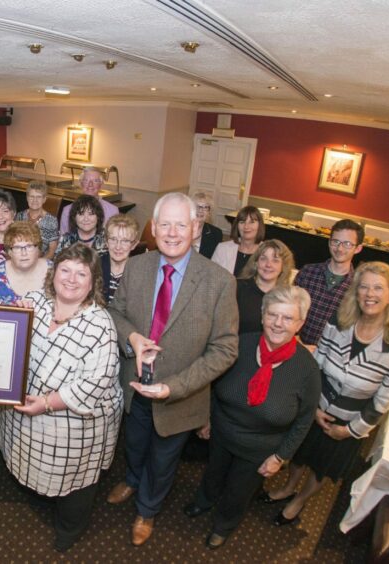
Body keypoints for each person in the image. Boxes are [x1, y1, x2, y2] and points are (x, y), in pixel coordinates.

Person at [106, 192, 238, 547]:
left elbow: (225, 349)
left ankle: (147, 509)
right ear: (153, 227)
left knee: (164, 460)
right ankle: (133, 479)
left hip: (179, 396)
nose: (173, 232)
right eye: (165, 223)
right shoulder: (137, 266)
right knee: (133, 445)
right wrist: (132, 338)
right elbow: (114, 313)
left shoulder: (219, 282)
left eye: (182, 224)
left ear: (196, 228)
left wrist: (174, 387)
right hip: (134, 387)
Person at [265, 262, 389, 526]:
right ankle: (288, 487)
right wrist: (313, 408)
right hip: (316, 408)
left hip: (349, 423)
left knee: (323, 469)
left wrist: (350, 430)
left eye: (378, 288)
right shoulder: (337, 323)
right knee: (300, 456)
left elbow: (383, 401)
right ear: (355, 292)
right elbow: (317, 366)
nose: (370, 294)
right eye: (364, 287)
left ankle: (299, 500)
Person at [0, 243, 122, 551]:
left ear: (93, 282)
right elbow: (4, 339)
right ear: (53, 273)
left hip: (74, 426)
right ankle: (40, 495)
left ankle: (70, 528)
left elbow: (93, 384)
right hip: (25, 413)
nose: (71, 279)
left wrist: (47, 403)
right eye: (65, 270)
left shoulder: (101, 325)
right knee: (30, 461)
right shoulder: (34, 301)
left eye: (82, 273)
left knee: (74, 483)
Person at [182, 286, 320, 549]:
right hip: (221, 432)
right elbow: (214, 383)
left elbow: (304, 420)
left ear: (300, 323)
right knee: (213, 473)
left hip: (260, 448)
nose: (278, 324)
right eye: (272, 315)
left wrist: (280, 457)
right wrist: (207, 419)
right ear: (262, 316)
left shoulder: (307, 369)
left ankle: (224, 524)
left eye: (288, 318)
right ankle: (204, 501)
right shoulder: (240, 344)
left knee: (239, 491)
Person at [294, 218, 364, 350]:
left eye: (347, 244)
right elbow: (290, 309)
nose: (340, 248)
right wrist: (298, 342)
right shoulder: (308, 272)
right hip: (296, 347)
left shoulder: (359, 287)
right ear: (329, 242)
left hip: (332, 356)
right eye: (335, 241)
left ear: (358, 248)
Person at [0, 221, 51, 305]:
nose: (24, 253)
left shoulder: (54, 272)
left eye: (29, 246)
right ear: (9, 252)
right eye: (17, 247)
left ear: (38, 249)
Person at [236, 239, 295, 334]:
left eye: (275, 260)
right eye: (263, 258)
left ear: (283, 267)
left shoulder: (287, 298)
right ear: (256, 263)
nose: (268, 264)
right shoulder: (236, 288)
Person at [59, 168, 119, 234]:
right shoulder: (67, 210)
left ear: (101, 184)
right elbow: (63, 238)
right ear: (81, 184)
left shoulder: (113, 211)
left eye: (95, 181)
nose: (90, 185)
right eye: (86, 180)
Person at [211, 205, 265, 276]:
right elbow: (211, 277)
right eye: (242, 222)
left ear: (259, 225)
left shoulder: (266, 251)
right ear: (237, 226)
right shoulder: (222, 249)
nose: (246, 226)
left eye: (252, 222)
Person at [14, 181, 59, 259]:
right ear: (27, 198)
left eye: (38, 197)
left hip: (42, 262)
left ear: (44, 199)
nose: (35, 200)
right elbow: (13, 243)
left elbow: (51, 251)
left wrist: (38, 265)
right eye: (32, 196)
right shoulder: (19, 216)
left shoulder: (51, 221)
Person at [101, 214, 140, 302]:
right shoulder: (94, 268)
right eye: (113, 239)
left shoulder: (138, 274)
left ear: (134, 245)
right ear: (106, 241)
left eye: (125, 241)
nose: (118, 247)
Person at [191, 192, 223, 259]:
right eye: (197, 206)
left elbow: (215, 261)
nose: (201, 210)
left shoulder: (216, 233)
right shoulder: (180, 229)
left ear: (209, 212)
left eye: (205, 207)